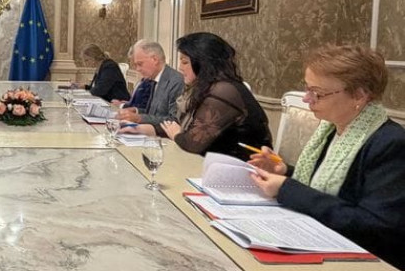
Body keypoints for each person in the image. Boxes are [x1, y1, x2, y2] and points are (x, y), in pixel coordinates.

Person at [249, 45, 405, 269]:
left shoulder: (390, 143)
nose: (307, 99)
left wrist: (286, 189)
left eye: (318, 93)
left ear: (359, 95)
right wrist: (285, 171)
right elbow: (325, 185)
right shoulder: (333, 129)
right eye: (307, 89)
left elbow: (377, 228)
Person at [128, 32, 271, 160]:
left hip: (242, 171)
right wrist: (141, 129)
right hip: (208, 163)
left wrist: (176, 134)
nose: (179, 67)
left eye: (184, 62)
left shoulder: (224, 91)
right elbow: (178, 127)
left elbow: (192, 143)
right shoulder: (203, 88)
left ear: (203, 63)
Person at [115, 40, 184, 135]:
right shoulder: (154, 79)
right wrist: (136, 111)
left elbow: (174, 120)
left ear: (154, 59)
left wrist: (139, 118)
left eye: (140, 64)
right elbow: (153, 113)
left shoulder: (176, 81)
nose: (137, 69)